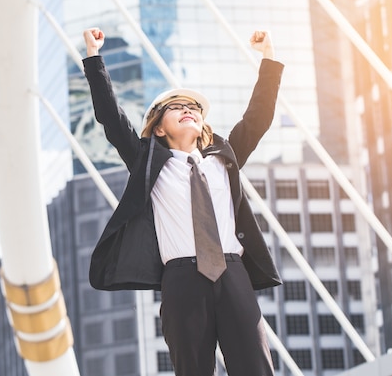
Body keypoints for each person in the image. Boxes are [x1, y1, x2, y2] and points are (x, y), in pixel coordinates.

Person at [82, 26, 284, 376]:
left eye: (192, 107)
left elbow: (259, 117)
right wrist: (94, 57)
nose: (187, 109)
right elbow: (112, 121)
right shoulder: (148, 162)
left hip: (233, 273)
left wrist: (268, 57)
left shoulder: (225, 157)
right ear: (159, 128)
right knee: (192, 370)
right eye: (176, 108)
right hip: (182, 279)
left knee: (256, 367)